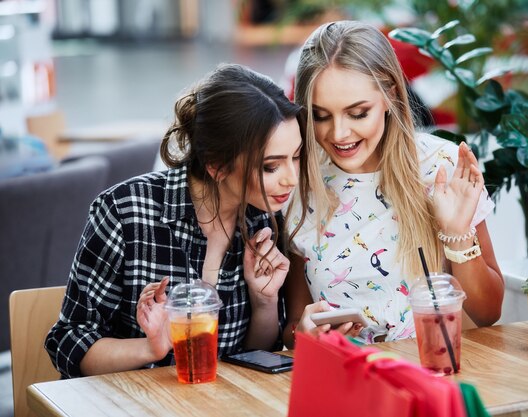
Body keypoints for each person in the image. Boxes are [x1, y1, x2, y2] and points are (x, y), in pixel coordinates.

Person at [45, 63, 306, 378]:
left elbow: (251, 359)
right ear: (217, 165)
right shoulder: (125, 212)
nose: (291, 179)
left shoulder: (264, 219)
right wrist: (151, 348)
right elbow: (68, 341)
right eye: (271, 166)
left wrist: (264, 301)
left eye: (296, 156)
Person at [283, 21, 504, 347]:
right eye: (321, 116)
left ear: (389, 95)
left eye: (357, 113)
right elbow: (294, 324)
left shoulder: (438, 167)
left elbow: (488, 312)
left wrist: (458, 235)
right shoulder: (298, 184)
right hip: (345, 380)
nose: (339, 134)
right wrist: (302, 334)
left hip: (431, 378)